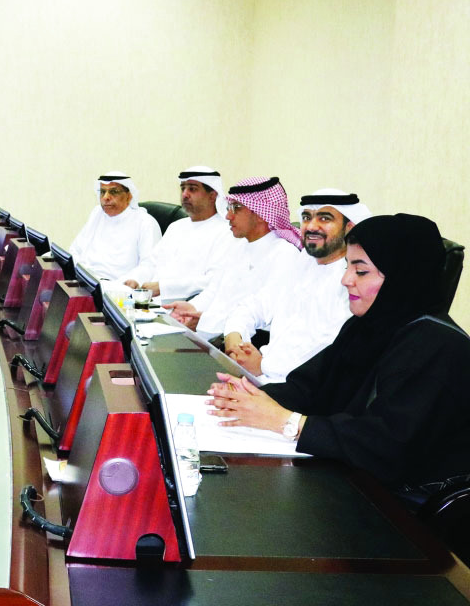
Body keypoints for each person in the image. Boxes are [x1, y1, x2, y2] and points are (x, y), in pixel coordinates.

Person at [206, 214, 470, 500]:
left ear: (402, 277)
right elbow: (308, 388)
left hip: (404, 508)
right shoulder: (366, 326)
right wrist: (247, 398)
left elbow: (386, 446)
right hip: (349, 478)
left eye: (361, 271)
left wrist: (288, 422)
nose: (345, 280)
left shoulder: (438, 348)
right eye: (347, 267)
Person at [222, 190, 371, 383]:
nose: (312, 226)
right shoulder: (303, 261)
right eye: (307, 217)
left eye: (325, 218)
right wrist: (235, 340)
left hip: (301, 387)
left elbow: (328, 348)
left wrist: (263, 365)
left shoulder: (355, 280)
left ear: (349, 228)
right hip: (261, 376)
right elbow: (255, 305)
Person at [165, 176, 305, 337]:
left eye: (236, 208)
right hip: (209, 333)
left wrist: (205, 321)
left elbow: (259, 315)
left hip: (245, 342)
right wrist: (191, 309)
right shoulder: (237, 246)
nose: (228, 216)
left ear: (260, 214)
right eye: (229, 208)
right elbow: (213, 291)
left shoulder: (285, 255)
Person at [121, 166, 237, 300]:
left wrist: (163, 287)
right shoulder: (176, 227)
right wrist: (136, 280)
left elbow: (212, 281)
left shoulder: (226, 232)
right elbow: (151, 264)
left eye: (192, 189)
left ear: (212, 196)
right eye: (183, 188)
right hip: (150, 303)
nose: (185, 195)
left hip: (186, 308)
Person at [68, 172, 162, 281]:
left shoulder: (145, 223)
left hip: (119, 287)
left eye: (113, 192)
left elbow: (150, 266)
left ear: (129, 196)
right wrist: (79, 273)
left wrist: (119, 285)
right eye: (102, 192)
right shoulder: (97, 214)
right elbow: (75, 250)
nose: (106, 197)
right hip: (88, 281)